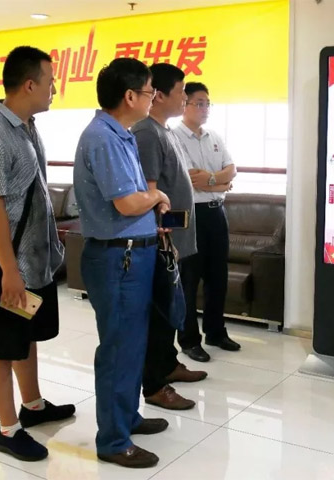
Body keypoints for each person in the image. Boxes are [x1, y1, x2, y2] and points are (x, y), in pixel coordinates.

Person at [0, 46, 75, 462]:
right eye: (51, 81)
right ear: (29, 84)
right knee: (0, 346)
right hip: (7, 264)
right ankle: (8, 430)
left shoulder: (27, 127)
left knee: (25, 335)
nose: (55, 89)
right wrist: (9, 271)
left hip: (33, 260)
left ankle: (32, 406)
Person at [73, 58, 172, 469]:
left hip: (133, 253)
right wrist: (157, 196)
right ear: (130, 96)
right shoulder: (104, 137)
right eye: (150, 92)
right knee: (118, 348)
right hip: (118, 258)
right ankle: (113, 440)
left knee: (132, 344)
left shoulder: (121, 134)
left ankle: (127, 417)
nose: (153, 98)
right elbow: (128, 202)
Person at [133, 63, 208, 409]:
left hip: (176, 238)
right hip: (164, 241)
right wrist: (166, 241)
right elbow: (149, 193)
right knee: (159, 315)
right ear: (159, 95)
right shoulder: (146, 133)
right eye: (180, 92)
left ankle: (168, 364)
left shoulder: (164, 130)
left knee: (171, 310)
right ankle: (155, 384)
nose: (185, 98)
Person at [173, 82, 240, 361]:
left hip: (216, 213)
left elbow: (231, 170)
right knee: (189, 279)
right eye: (198, 103)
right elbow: (191, 179)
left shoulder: (214, 136)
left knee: (217, 276)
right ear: (184, 104)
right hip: (191, 215)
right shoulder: (174, 137)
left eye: (207, 103)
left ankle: (215, 332)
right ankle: (189, 340)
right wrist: (219, 183)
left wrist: (213, 180)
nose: (204, 109)